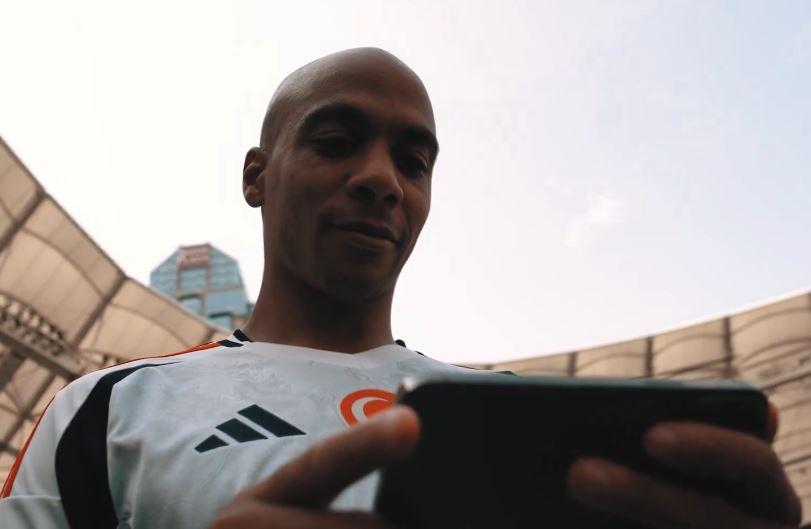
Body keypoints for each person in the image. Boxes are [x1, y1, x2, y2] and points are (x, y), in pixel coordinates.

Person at [0, 48, 802, 529]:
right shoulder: (109, 408)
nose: (382, 179)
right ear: (256, 176)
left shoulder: (518, 421)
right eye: (336, 141)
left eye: (413, 162)